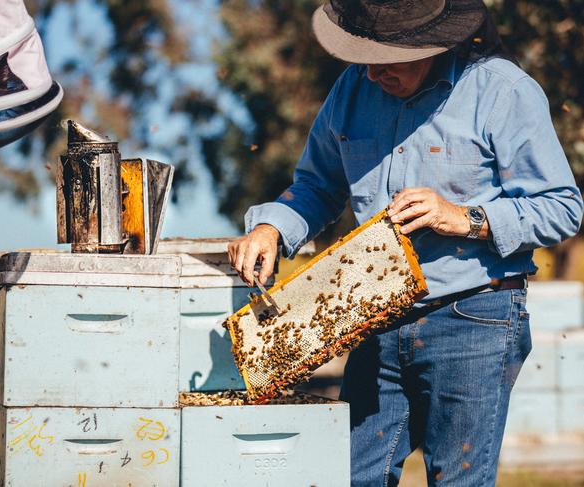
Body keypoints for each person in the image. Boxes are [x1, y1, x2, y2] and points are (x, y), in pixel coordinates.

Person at [227, 0, 584, 485]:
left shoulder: (502, 90)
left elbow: (562, 206)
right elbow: (316, 186)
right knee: (352, 477)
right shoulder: (352, 89)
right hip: (374, 317)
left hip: (473, 317)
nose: (372, 73)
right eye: (363, 55)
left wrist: (464, 217)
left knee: (457, 480)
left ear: (433, 46)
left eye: (388, 58)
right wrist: (272, 228)